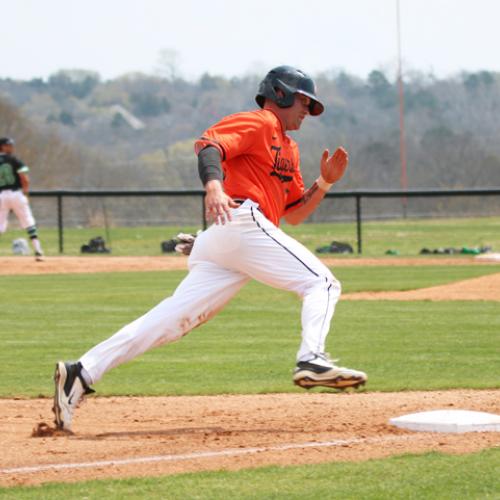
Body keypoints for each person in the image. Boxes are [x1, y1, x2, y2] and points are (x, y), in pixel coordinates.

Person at [53, 66, 367, 432]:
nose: (307, 110)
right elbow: (209, 144)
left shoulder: (290, 147)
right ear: (279, 94)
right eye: (303, 100)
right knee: (323, 284)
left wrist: (325, 182)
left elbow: (294, 213)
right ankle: (311, 358)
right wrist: (214, 187)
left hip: (232, 238)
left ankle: (81, 371)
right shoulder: (260, 122)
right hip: (240, 221)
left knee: (169, 322)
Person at [0, 137, 44, 261]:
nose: (11, 147)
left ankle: (38, 251)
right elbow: (24, 177)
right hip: (16, 194)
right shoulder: (13, 159)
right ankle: (38, 251)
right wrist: (25, 193)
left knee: (0, 224)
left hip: (1, 195)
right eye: (8, 145)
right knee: (28, 221)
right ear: (2, 146)